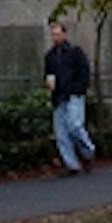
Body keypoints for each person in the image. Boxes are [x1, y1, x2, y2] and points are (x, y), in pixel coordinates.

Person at [42, 20, 97, 174]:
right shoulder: (50, 56)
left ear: (64, 34)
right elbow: (47, 74)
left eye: (58, 34)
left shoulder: (75, 52)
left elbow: (84, 72)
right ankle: (71, 164)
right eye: (53, 34)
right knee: (61, 133)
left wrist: (79, 89)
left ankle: (88, 151)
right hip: (58, 96)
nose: (55, 37)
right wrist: (48, 82)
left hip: (73, 94)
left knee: (74, 125)